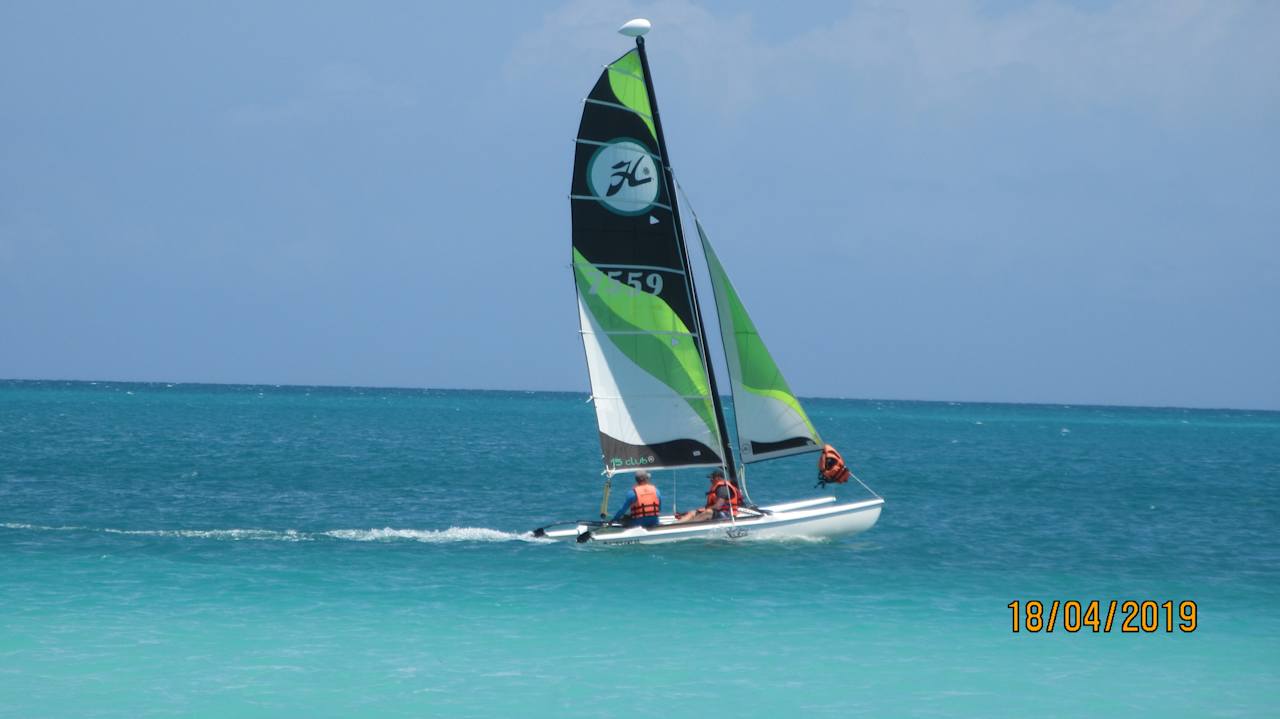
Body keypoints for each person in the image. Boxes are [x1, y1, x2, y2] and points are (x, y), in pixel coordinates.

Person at [673, 469, 741, 523]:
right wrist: (700, 510)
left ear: (718, 478)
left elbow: (718, 506)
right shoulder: (717, 487)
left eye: (712, 478)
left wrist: (705, 509)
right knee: (693, 512)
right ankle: (676, 525)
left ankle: (690, 525)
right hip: (717, 512)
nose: (710, 480)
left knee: (708, 512)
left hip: (727, 514)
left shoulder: (723, 488)